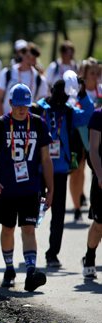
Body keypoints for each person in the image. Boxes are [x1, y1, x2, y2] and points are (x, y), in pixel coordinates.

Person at [0, 84, 53, 292]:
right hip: (5, 189)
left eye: (26, 105)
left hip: (31, 188)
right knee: (7, 229)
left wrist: (51, 189)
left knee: (29, 229)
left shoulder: (39, 124)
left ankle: (31, 271)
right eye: (19, 105)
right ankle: (9, 268)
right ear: (11, 103)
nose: (22, 109)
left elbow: (46, 159)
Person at [30, 78, 94, 268]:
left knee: (58, 214)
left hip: (59, 169)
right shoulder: (38, 109)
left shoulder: (68, 110)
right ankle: (30, 250)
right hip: (38, 168)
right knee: (32, 212)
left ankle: (52, 254)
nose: (60, 96)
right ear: (51, 90)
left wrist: (82, 94)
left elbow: (88, 116)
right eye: (58, 91)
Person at [69, 59, 100, 222]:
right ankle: (76, 207)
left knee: (95, 171)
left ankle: (93, 202)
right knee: (77, 171)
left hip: (98, 137)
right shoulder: (76, 93)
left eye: (97, 73)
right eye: (92, 73)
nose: (95, 76)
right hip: (78, 136)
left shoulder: (101, 91)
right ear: (84, 74)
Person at [0, 43, 48, 116]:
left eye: (34, 56)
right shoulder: (7, 73)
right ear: (22, 54)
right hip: (8, 120)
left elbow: (43, 102)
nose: (31, 58)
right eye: (28, 55)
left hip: (29, 122)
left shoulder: (40, 79)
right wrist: (3, 120)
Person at [82, 109, 102, 279]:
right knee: (99, 224)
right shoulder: (97, 116)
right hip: (101, 177)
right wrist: (100, 175)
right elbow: (93, 150)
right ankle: (90, 257)